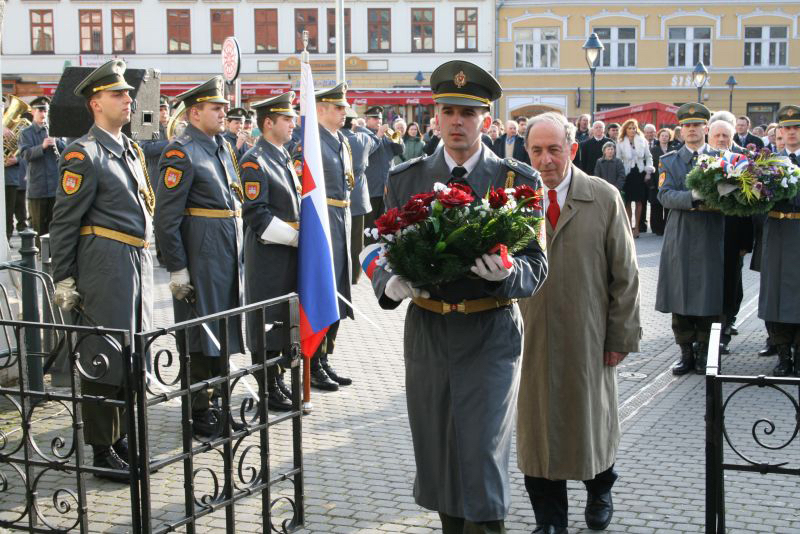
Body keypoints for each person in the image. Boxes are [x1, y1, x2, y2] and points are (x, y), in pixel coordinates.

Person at [369, 60, 547, 533]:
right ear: (435, 117)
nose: (456, 122)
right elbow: (383, 249)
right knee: (439, 448)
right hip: (428, 330)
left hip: (489, 331)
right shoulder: (406, 178)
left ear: (486, 120)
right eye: (448, 111)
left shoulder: (517, 182)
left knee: (482, 450)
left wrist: (507, 273)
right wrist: (389, 282)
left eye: (467, 114)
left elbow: (537, 264)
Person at [518, 112, 640, 534]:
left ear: (572, 149)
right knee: (538, 433)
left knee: (590, 423)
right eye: (536, 150)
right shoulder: (515, 201)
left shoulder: (603, 197)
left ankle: (600, 488)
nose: (545, 160)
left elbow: (625, 275)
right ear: (526, 152)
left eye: (554, 149)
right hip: (534, 336)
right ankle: (549, 522)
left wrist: (621, 335)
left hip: (590, 335)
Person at [50, 59, 154, 481]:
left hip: (135, 264)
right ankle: (101, 449)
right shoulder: (84, 153)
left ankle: (120, 437)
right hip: (104, 265)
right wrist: (64, 278)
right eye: (119, 94)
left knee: (131, 355)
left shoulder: (128, 148)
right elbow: (63, 221)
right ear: (96, 103)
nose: (129, 98)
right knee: (102, 358)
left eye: (128, 93)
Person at [154, 76, 245, 437]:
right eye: (216, 107)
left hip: (224, 254)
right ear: (194, 113)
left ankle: (219, 401)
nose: (224, 112)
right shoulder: (181, 151)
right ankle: (198, 408)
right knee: (198, 333)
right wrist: (177, 267)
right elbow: (166, 217)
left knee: (220, 330)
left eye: (223, 107)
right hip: (201, 255)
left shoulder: (221, 146)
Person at [239, 92, 301, 412]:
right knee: (267, 318)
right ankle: (267, 384)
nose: (293, 124)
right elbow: (256, 214)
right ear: (268, 123)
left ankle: (277, 378)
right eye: (287, 119)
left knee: (282, 317)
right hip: (269, 250)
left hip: (288, 248)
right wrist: (294, 238)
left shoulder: (281, 154)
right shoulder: (255, 159)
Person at [292, 83, 355, 391]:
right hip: (324, 221)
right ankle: (313, 362)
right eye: (338, 107)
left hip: (341, 220)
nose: (344, 112)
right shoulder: (308, 143)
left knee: (339, 293)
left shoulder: (340, 140)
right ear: (320, 109)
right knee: (323, 290)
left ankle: (325, 357)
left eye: (344, 108)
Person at [656, 103, 722, 375]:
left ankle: (706, 351)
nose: (692, 129)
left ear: (706, 128)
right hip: (681, 231)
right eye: (687, 126)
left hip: (710, 231)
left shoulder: (722, 158)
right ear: (680, 130)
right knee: (680, 291)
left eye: (696, 125)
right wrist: (691, 197)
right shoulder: (669, 161)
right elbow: (664, 195)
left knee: (708, 291)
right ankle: (685, 351)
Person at [758, 105, 800, 376]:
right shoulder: (768, 162)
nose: (792, 132)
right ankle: (783, 354)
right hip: (776, 230)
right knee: (775, 294)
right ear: (780, 132)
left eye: (796, 128)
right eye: (786, 128)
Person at [707, 119, 754, 354]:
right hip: (706, 237)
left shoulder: (743, 160)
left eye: (726, 135)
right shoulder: (702, 160)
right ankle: (706, 331)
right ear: (709, 136)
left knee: (730, 281)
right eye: (717, 136)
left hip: (732, 234)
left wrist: (747, 242)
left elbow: (750, 204)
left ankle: (725, 327)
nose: (721, 140)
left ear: (732, 136)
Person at [18, 96, 66, 239]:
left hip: (54, 186)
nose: (43, 114)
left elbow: (67, 152)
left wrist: (57, 142)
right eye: (40, 110)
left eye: (45, 111)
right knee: (38, 225)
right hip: (37, 188)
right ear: (33, 111)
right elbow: (25, 154)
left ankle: (53, 255)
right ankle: (40, 256)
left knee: (55, 224)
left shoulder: (55, 130)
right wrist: (42, 147)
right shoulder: (26, 133)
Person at [342, 107, 376, 284]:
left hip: (339, 194)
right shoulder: (363, 138)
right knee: (356, 240)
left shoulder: (336, 138)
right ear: (353, 122)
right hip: (359, 195)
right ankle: (354, 275)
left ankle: (341, 274)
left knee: (339, 238)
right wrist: (360, 128)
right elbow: (375, 141)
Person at [362, 106, 403, 232]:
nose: (378, 121)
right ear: (366, 120)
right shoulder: (362, 135)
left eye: (379, 118)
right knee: (371, 228)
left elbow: (400, 151)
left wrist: (398, 140)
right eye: (374, 118)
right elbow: (365, 153)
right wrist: (378, 135)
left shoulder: (386, 136)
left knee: (388, 225)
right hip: (372, 189)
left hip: (387, 187)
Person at [617, 118, 655, 238]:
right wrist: (619, 174)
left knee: (639, 201)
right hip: (627, 173)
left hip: (640, 172)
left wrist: (648, 170)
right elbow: (618, 159)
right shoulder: (620, 141)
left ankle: (637, 227)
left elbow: (649, 157)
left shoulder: (642, 140)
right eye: (630, 128)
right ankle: (628, 226)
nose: (632, 130)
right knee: (627, 201)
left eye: (634, 128)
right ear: (625, 130)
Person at [648, 128, 677, 235]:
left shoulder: (674, 150)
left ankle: (667, 227)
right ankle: (657, 228)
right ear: (659, 137)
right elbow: (650, 166)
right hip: (656, 179)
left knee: (668, 205)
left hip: (670, 180)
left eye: (666, 136)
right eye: (662, 136)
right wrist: (650, 182)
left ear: (670, 138)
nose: (664, 138)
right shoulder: (653, 150)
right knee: (656, 205)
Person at [4, 126, 28, 241]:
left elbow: (25, 153)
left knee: (9, 213)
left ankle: (7, 239)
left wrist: (16, 160)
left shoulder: (19, 130)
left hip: (10, 178)